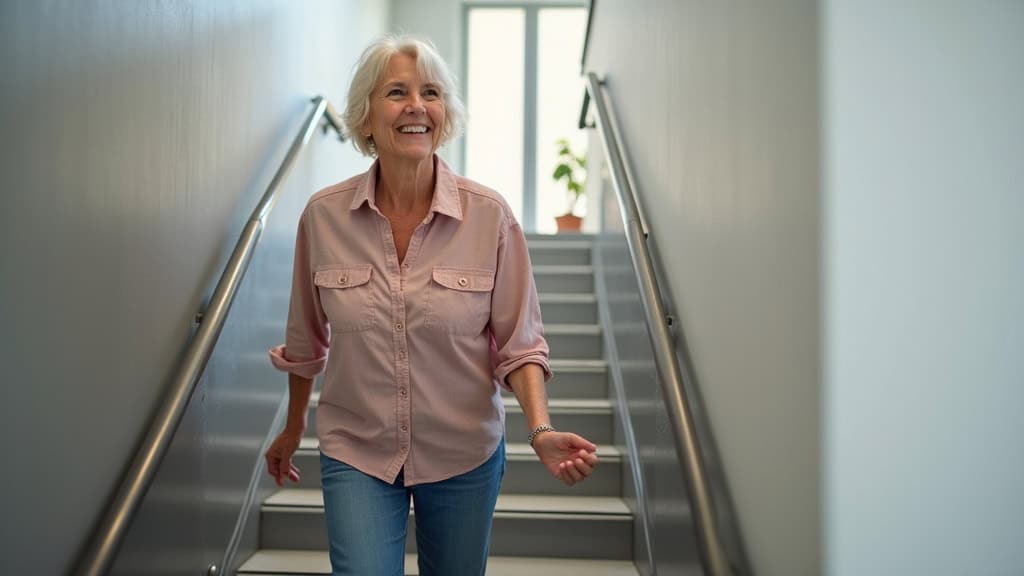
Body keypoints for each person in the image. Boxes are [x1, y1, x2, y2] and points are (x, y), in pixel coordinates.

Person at [264, 34, 599, 575]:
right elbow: (306, 339)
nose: (417, 105)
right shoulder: (322, 217)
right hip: (357, 450)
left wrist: (539, 430)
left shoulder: (490, 216)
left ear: (445, 114)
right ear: (365, 117)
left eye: (431, 92)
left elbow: (520, 344)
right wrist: (293, 425)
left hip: (464, 452)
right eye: (397, 92)